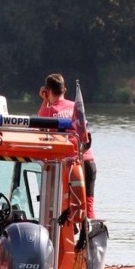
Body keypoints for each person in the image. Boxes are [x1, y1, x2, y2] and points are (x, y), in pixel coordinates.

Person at [38, 72, 97, 219]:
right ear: (64, 90)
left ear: (48, 91)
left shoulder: (49, 111)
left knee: (63, 204)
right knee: (87, 205)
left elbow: (39, 127)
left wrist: (45, 101)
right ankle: (88, 236)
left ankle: (68, 236)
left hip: (70, 166)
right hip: (88, 162)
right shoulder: (76, 108)